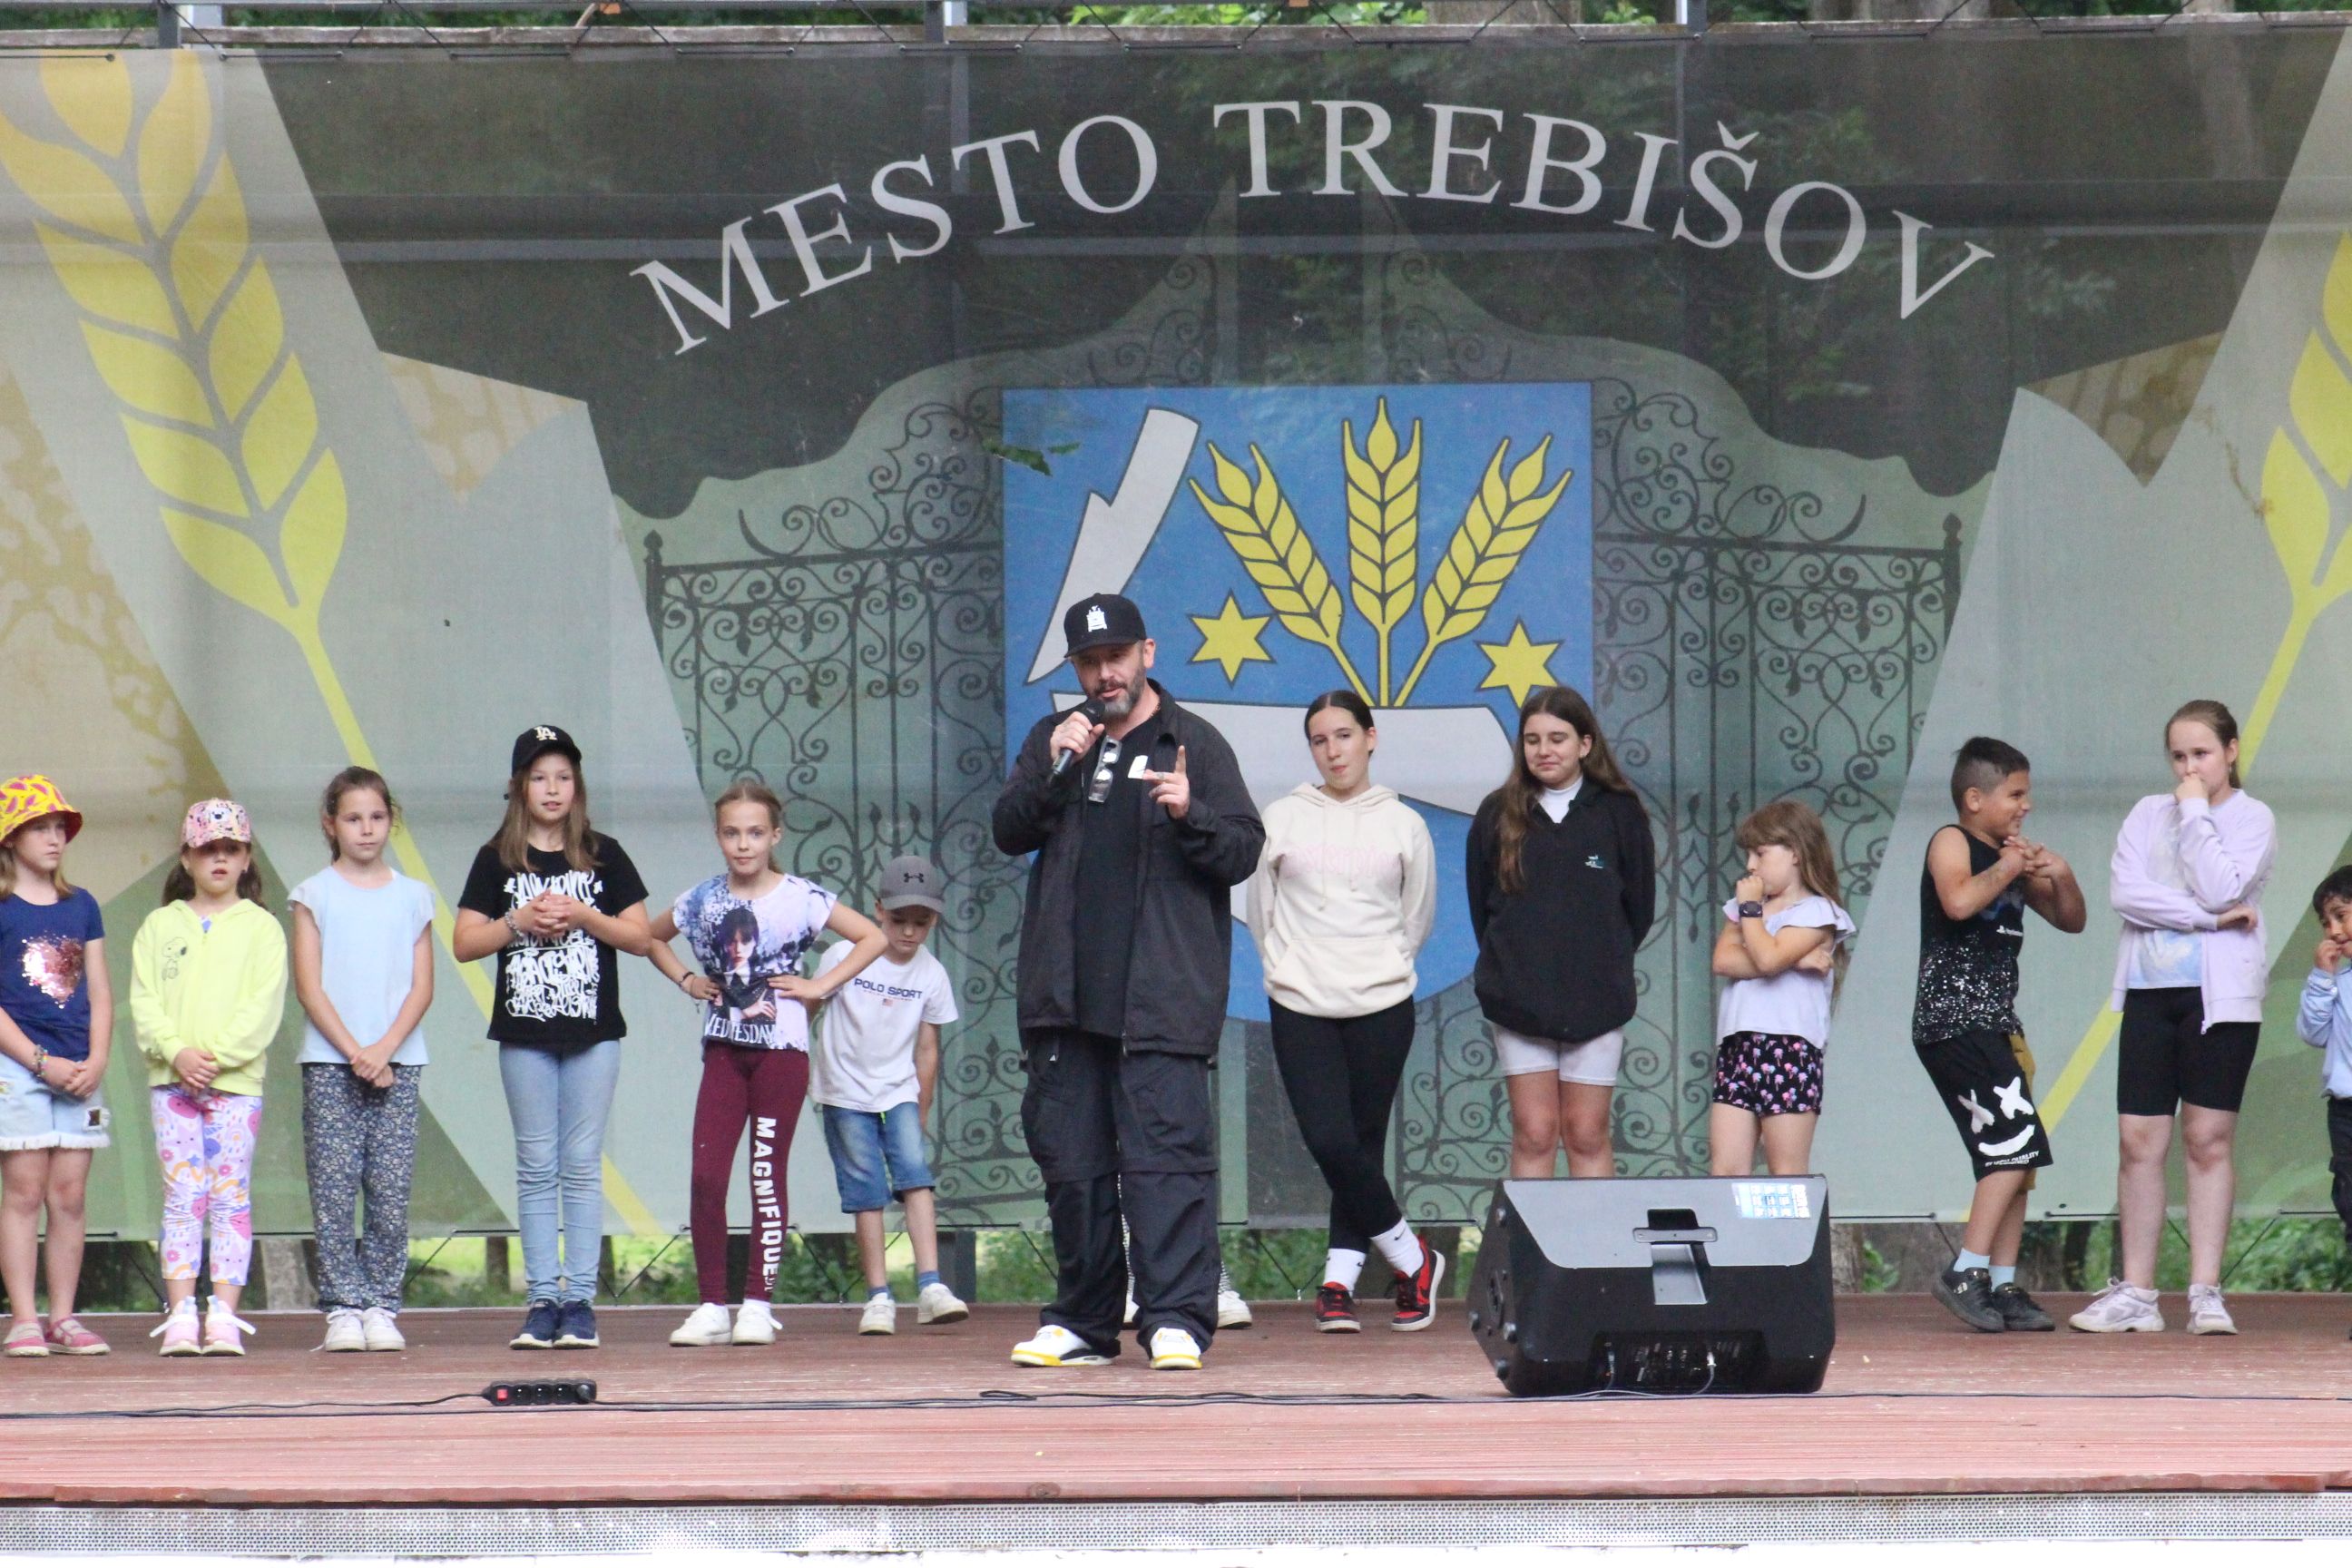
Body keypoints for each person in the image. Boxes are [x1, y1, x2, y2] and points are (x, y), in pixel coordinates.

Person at [992, 593, 1263, 1372]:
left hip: (1159, 998)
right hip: (1065, 996)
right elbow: (1009, 830)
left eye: (1115, 657)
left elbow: (1243, 851)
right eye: (1088, 662)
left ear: (1147, 653)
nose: (1103, 674)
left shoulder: (1194, 742)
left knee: (1165, 1164)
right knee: (1072, 1167)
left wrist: (1190, 813)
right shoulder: (1055, 740)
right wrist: (1054, 771)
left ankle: (1175, 1317)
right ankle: (1083, 1320)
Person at [646, 781, 887, 1349]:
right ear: (718, 836)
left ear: (775, 835)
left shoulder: (800, 897)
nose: (743, 844)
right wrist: (686, 979)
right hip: (723, 1050)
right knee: (707, 1175)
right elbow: (648, 937)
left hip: (781, 1054)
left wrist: (819, 986)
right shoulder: (703, 898)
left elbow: (872, 937)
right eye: (732, 833)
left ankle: (757, 1303)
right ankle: (711, 1305)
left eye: (755, 833)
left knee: (765, 1173)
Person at [1245, 689, 1443, 1333]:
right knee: (1330, 1140)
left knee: (1360, 1144)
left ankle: (1339, 1281)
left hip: (1382, 1001)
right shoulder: (1282, 817)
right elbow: (1261, 912)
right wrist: (1288, 969)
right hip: (1301, 1000)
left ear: (1371, 737)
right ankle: (1413, 1259)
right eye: (1319, 740)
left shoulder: (1404, 823)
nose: (1333, 750)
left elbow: (1416, 917)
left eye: (1344, 735)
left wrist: (1381, 964)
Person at [2074, 700, 2273, 1337]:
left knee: (2207, 1140)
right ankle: (2137, 1293)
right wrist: (2207, 920)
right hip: (2149, 992)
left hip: (2222, 999)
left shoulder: (2252, 818)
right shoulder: (2144, 813)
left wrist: (2194, 813)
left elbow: (2222, 886)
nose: (2189, 768)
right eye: (2179, 757)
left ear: (2231, 751)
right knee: (2139, 1141)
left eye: (2202, 754)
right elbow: (2125, 895)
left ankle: (2205, 1291)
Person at [455, 725, 652, 1353]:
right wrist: (517, 921)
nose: (552, 789)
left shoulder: (604, 854)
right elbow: (464, 943)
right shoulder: (496, 859)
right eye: (539, 777)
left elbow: (641, 937)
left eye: (563, 777)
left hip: (594, 1034)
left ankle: (580, 1303)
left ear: (577, 786)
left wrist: (584, 914)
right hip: (524, 1035)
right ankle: (542, 1300)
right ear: (519, 787)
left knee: (582, 1165)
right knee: (537, 1166)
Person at [1912, 737, 2085, 1334]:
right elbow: (1959, 902)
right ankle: (1966, 1270)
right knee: (2014, 1144)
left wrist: (2060, 874)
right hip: (1955, 1020)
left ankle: (2002, 1283)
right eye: (2015, 794)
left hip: (1999, 1024)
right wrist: (2012, 866)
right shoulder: (1951, 840)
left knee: (2018, 1157)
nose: (2025, 806)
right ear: (1975, 799)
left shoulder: (2007, 856)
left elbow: (2070, 920)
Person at [1467, 685, 1655, 1182]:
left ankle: (1597, 1239)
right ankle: (1533, 1240)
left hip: (1597, 1001)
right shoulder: (1496, 813)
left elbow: (1638, 911)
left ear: (1585, 744)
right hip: (1518, 1002)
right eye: (1532, 740)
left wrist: (1596, 961)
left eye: (1557, 738)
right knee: (1534, 1132)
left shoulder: (1619, 813)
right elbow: (1482, 911)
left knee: (1587, 1133)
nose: (1544, 750)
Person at [130, 800, 289, 1357]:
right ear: (186, 857)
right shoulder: (159, 925)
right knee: (181, 1195)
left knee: (229, 1196)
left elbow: (263, 1007)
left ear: (246, 858)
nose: (219, 858)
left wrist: (216, 1058)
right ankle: (180, 1314)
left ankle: (223, 1315)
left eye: (231, 848)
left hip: (235, 1087)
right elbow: (144, 1001)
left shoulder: (263, 928)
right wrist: (177, 1053)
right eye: (207, 849)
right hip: (171, 1084)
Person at [290, 767, 436, 1353]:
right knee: (333, 1190)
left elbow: (422, 988)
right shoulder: (313, 894)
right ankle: (342, 1307)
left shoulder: (413, 896)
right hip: (331, 1065)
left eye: (377, 816)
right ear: (331, 824)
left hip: (398, 1062)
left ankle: (380, 1303)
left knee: (390, 1192)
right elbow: (309, 987)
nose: (367, 828)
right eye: (353, 818)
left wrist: (384, 1050)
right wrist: (356, 1053)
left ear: (391, 819)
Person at [809, 854, 968, 1336]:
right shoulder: (843, 954)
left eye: (921, 921)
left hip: (898, 1089)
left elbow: (928, 1048)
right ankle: (878, 1296)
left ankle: (931, 1286)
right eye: (899, 920)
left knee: (916, 1177)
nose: (909, 932)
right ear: (878, 910)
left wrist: (921, 1107)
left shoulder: (932, 974)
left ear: (935, 919)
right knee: (866, 1191)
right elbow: (810, 1009)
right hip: (843, 1091)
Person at [0, 776, 111, 1358]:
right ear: (10, 838)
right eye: (39, 827)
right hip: (19, 1067)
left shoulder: (82, 905)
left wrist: (97, 1060)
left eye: (59, 828)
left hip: (79, 1068)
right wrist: (40, 1062)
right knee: (23, 1191)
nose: (53, 838)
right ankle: (23, 1318)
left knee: (68, 1195)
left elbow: (100, 990)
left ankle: (63, 1317)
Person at [1708, 801, 1853, 1178]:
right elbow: (1723, 960)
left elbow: (1769, 958)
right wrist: (1794, 959)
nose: (1750, 866)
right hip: (1738, 1045)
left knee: (1786, 1171)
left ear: (1795, 853)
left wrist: (1758, 926)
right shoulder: (1743, 906)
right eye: (1749, 855)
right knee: (1726, 1170)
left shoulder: (1819, 912)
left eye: (1760, 853)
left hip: (1790, 1046)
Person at [2296, 863, 2352, 1338]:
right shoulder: (2337, 982)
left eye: (2341, 915)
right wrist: (2321, 977)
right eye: (2326, 922)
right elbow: (2313, 1032)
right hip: (2346, 1110)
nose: (2334, 931)